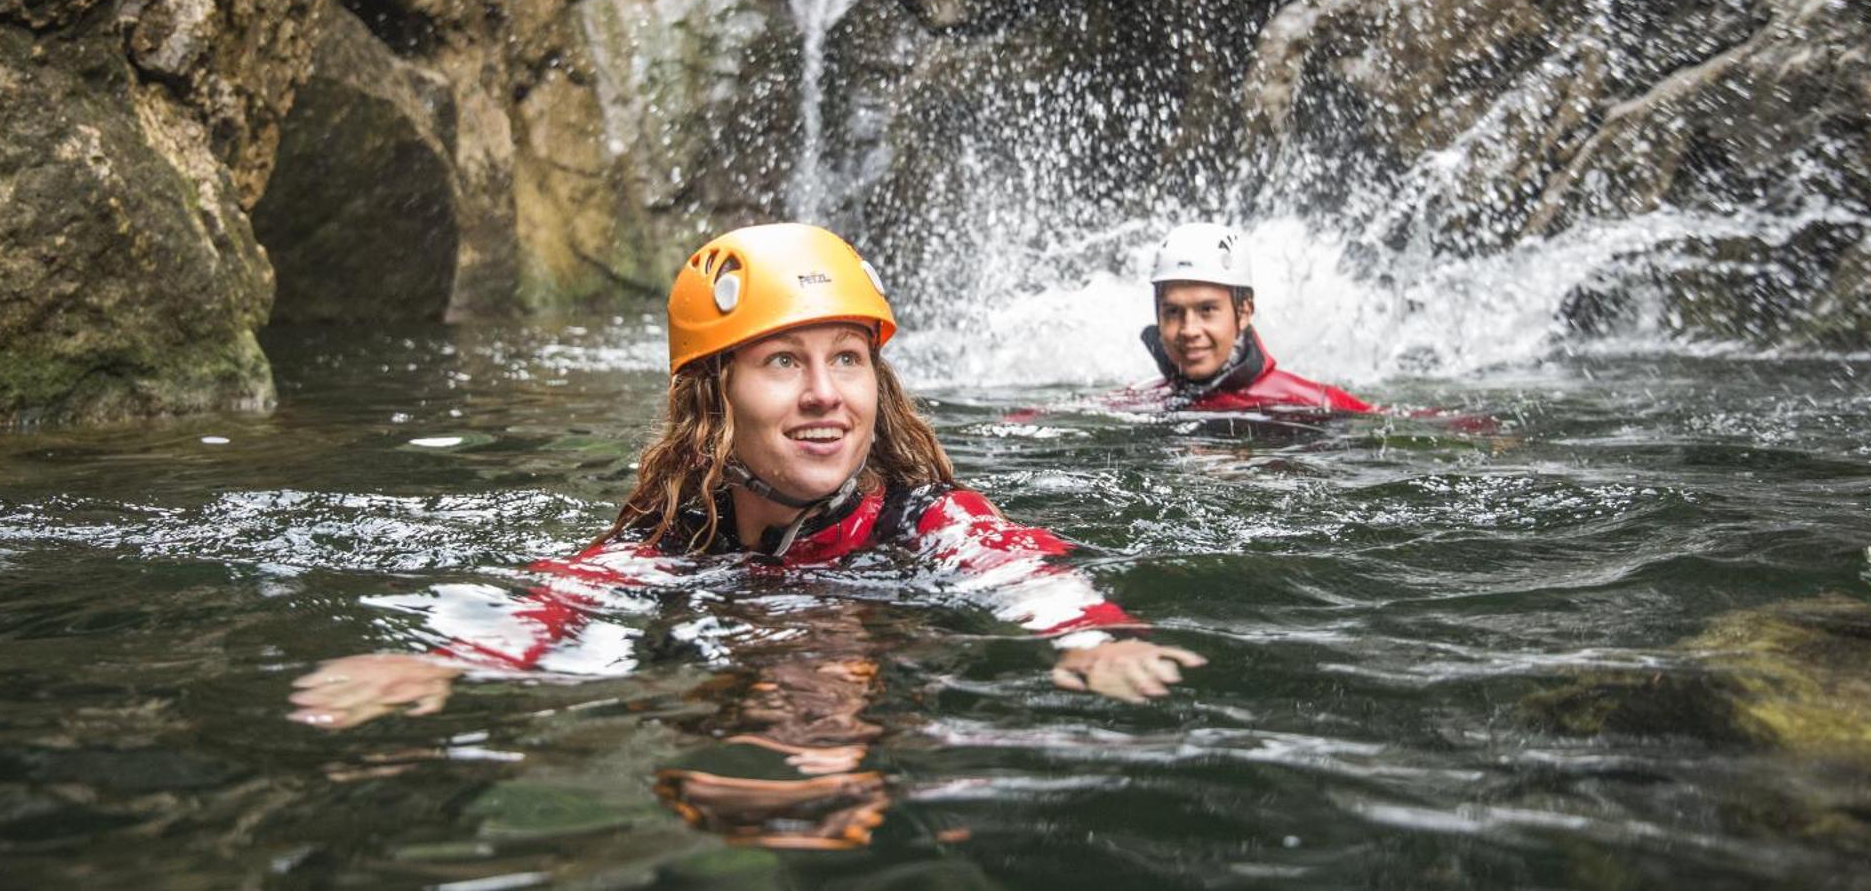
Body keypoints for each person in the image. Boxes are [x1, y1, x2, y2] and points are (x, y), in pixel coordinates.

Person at [289, 222, 1204, 731]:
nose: (824, 396)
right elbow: (564, 595)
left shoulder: (927, 521)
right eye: (781, 363)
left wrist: (1092, 636)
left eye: (847, 359)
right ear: (712, 395)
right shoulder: (678, 534)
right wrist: (447, 658)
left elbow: (1021, 568)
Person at [1132, 222, 1376, 413]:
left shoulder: (1318, 404)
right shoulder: (1136, 402)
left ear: (1244, 311)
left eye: (1207, 310)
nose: (1189, 330)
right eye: (1173, 312)